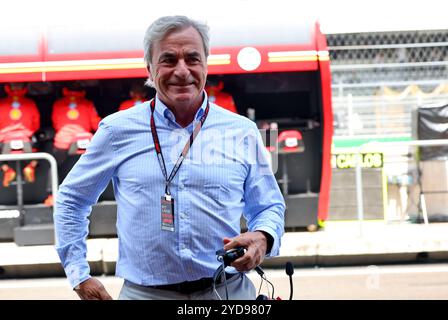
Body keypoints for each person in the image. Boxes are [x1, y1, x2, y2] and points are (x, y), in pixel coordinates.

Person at [54, 15, 285, 300]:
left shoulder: (243, 132)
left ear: (206, 64)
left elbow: (269, 205)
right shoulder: (116, 131)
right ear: (150, 69)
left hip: (229, 293)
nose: (182, 70)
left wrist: (263, 236)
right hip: (146, 295)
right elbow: (72, 199)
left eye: (192, 58)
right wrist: (79, 275)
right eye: (168, 60)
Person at [47, 81, 101, 205]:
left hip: (63, 141)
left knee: (54, 165)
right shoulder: (88, 104)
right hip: (84, 141)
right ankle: (93, 194)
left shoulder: (58, 104)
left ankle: (51, 195)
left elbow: (55, 123)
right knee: (93, 167)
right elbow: (95, 124)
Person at [0, 83, 40, 187]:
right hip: (26, 140)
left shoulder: (1, 103)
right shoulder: (30, 103)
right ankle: (31, 166)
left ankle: (7, 169)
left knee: (2, 159)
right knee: (41, 150)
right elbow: (36, 125)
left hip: (4, 141)